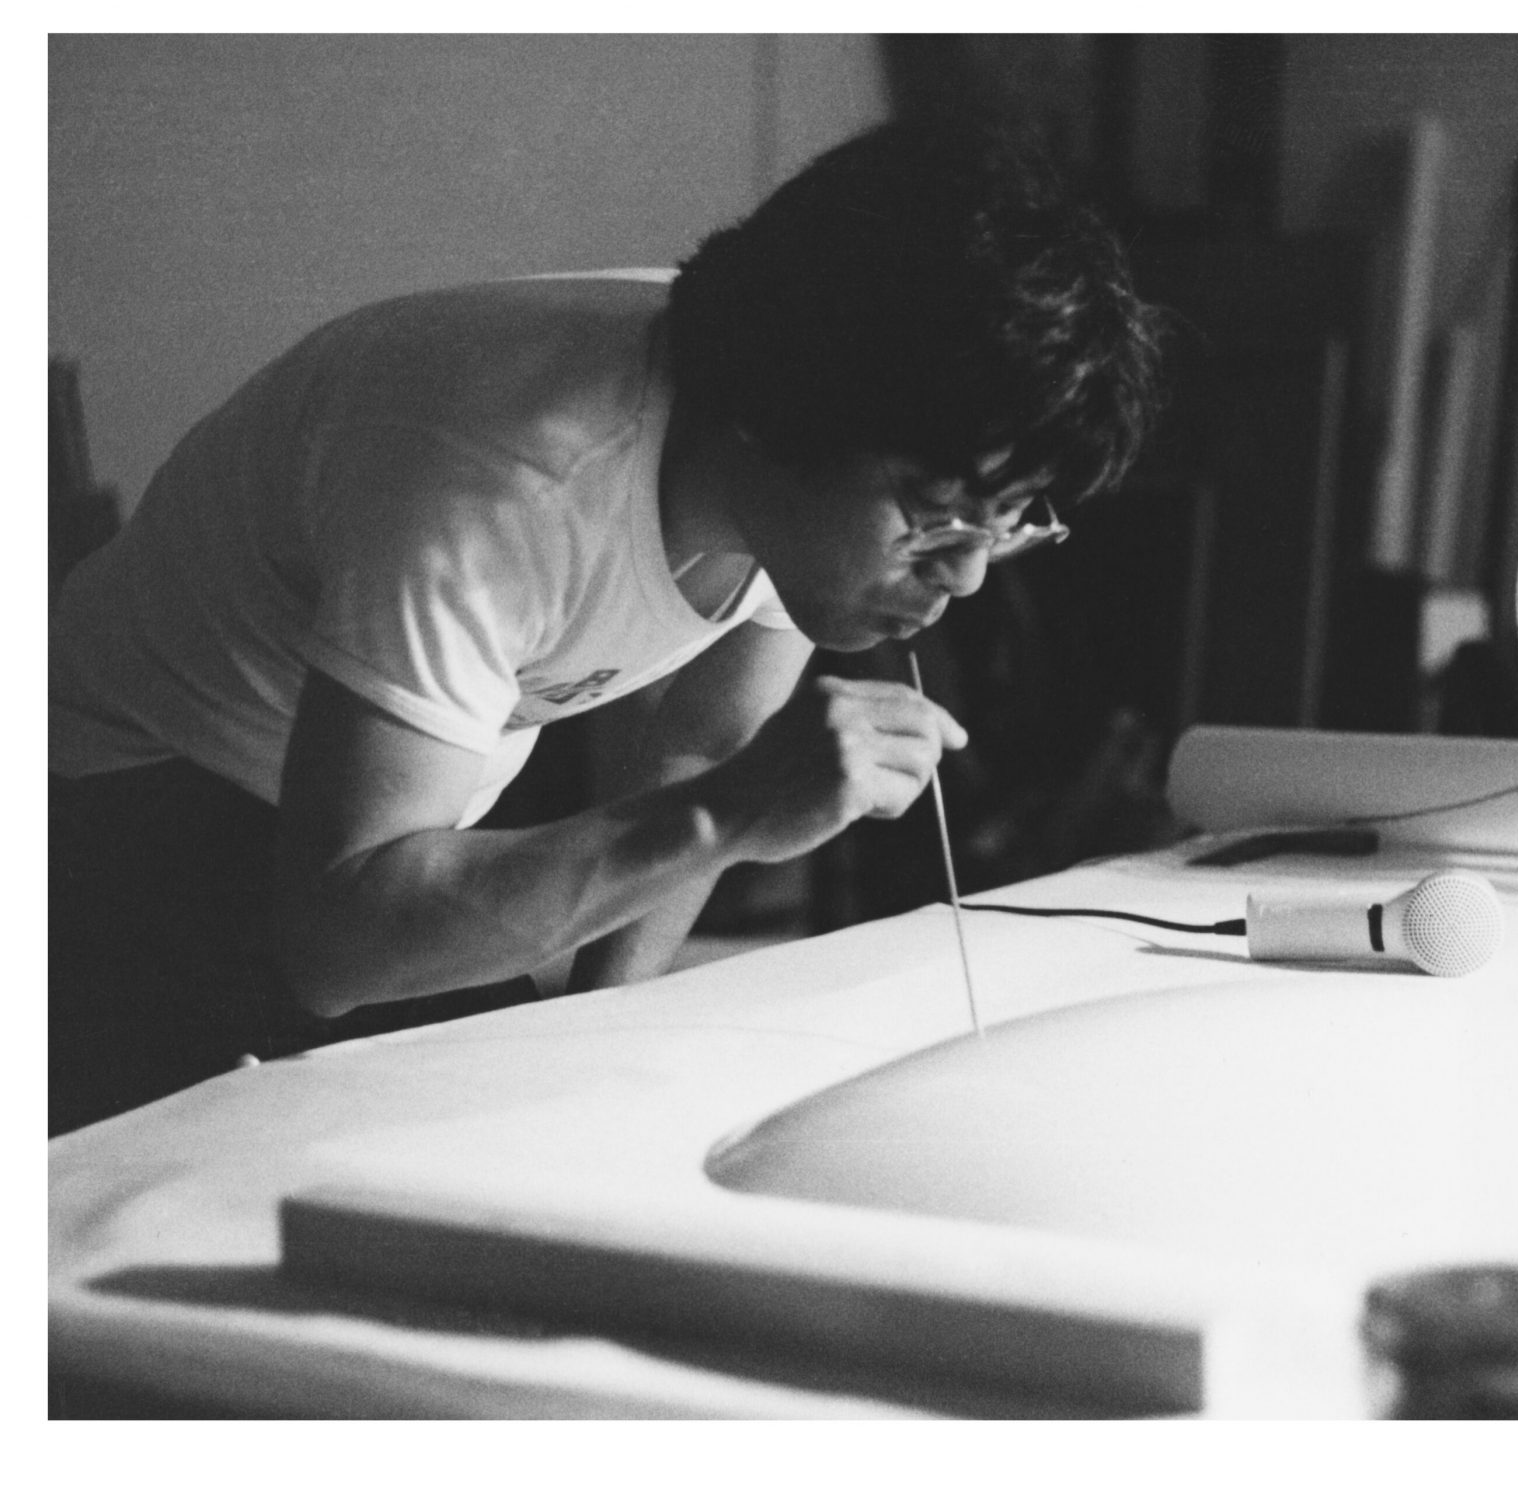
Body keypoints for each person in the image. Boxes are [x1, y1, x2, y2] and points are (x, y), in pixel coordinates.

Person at [48, 120, 1165, 1134]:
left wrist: (599, 1029)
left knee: (541, 1107)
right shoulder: (503, 475)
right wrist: (731, 814)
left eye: (1011, 519)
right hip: (113, 804)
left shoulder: (804, 450)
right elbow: (338, 943)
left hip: (362, 819)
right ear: (775, 423)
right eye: (934, 515)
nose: (964, 574)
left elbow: (702, 739)